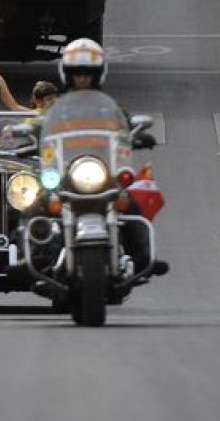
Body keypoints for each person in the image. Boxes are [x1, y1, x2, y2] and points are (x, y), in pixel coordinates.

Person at [56, 38, 168, 276]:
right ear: (68, 74)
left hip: (103, 171)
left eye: (87, 73)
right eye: (77, 73)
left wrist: (138, 135)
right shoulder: (57, 108)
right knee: (39, 204)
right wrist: (25, 131)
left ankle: (142, 259)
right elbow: (39, 124)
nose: (82, 78)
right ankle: (33, 255)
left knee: (129, 203)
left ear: (97, 75)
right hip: (67, 172)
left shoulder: (110, 107)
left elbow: (125, 125)